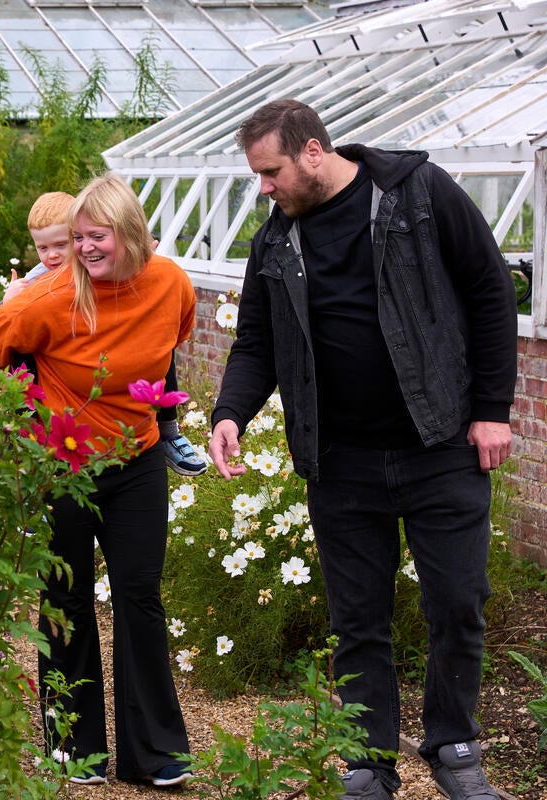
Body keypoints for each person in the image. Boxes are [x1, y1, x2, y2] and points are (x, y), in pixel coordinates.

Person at [208, 99, 516, 800]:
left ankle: (454, 745)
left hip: (440, 444)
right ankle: (369, 762)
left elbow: (490, 291)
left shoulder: (419, 195)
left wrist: (492, 411)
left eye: (271, 172)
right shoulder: (276, 241)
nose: (264, 188)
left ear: (313, 152)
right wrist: (231, 412)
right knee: (357, 620)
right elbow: (256, 341)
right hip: (340, 459)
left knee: (457, 601)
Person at [0, 173, 194, 787]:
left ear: (129, 233)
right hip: (62, 469)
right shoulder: (51, 298)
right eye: (78, 238)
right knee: (65, 600)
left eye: (98, 238)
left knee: (140, 598)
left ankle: (156, 753)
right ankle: (73, 744)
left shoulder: (169, 282)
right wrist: (32, 413)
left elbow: (172, 342)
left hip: (137, 461)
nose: (86, 249)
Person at [5, 191, 207, 477]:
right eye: (42, 247)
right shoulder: (40, 279)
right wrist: (9, 301)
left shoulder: (98, 262)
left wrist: (138, 256)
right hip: (64, 367)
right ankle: (25, 437)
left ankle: (168, 431)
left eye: (62, 244)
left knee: (161, 345)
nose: (52, 255)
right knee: (22, 360)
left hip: (116, 348)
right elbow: (4, 328)